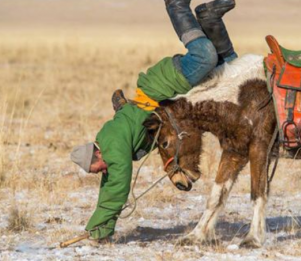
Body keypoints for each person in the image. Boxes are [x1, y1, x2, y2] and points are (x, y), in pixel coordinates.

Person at [70, 0, 237, 242]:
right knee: (230, 67)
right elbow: (107, 187)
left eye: (96, 169)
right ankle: (210, 18)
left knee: (205, 56)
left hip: (161, 85)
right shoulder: (108, 144)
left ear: (96, 156)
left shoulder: (114, 148)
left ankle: (176, 6)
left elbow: (116, 188)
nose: (99, 173)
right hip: (159, 94)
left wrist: (97, 228)